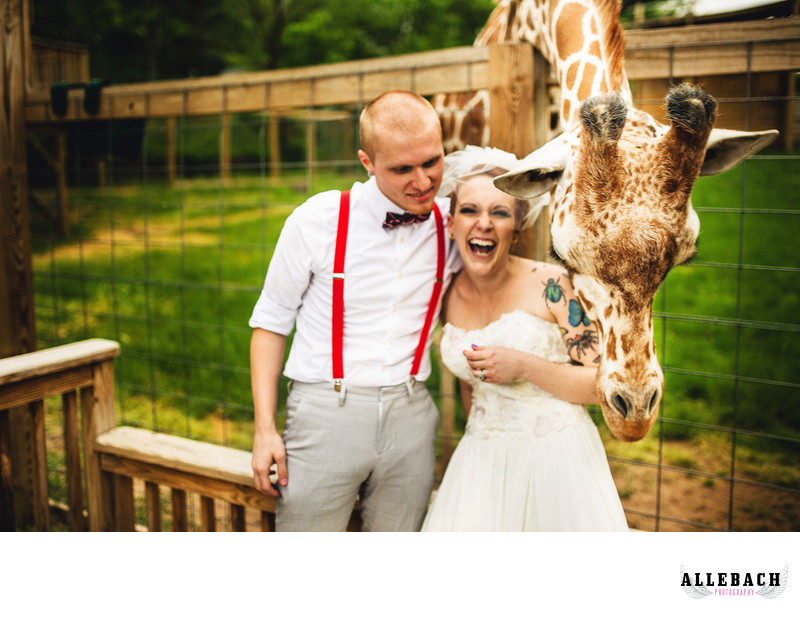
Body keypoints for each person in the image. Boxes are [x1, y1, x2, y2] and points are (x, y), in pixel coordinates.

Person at [249, 91, 461, 531]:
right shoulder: (317, 221)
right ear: (367, 162)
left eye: (432, 162)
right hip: (326, 410)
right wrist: (264, 429)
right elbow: (270, 323)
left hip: (412, 413)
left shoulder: (455, 225)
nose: (422, 181)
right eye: (402, 169)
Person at [421, 145, 629, 531]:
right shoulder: (447, 295)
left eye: (499, 212)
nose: (483, 223)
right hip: (480, 459)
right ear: (451, 223)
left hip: (556, 459)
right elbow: (471, 384)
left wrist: (524, 365)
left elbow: (601, 383)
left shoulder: (551, 286)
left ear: (516, 228)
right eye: (469, 210)